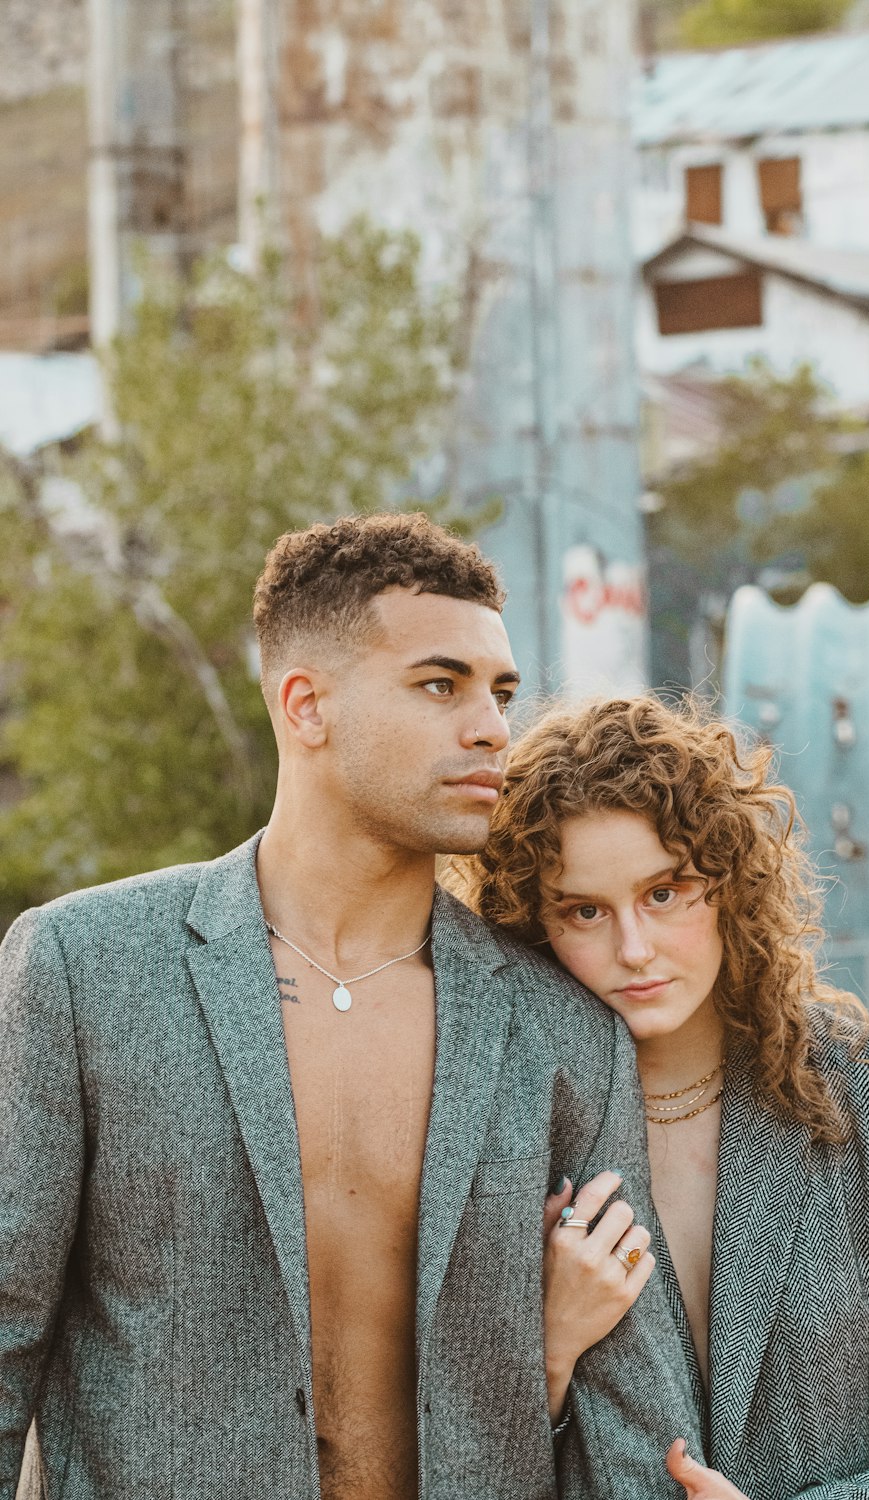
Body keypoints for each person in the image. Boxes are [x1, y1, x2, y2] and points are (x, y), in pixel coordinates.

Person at [0, 516, 703, 1500]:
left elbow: (628, 1414)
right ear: (306, 705)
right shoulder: (84, 969)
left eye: (500, 692)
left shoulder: (563, 1033)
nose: (491, 726)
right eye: (438, 684)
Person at [457, 693, 869, 1500]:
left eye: (665, 892)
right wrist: (547, 1353)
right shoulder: (504, 1132)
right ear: (533, 925)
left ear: (730, 881)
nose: (633, 949)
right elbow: (458, 1469)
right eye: (584, 910)